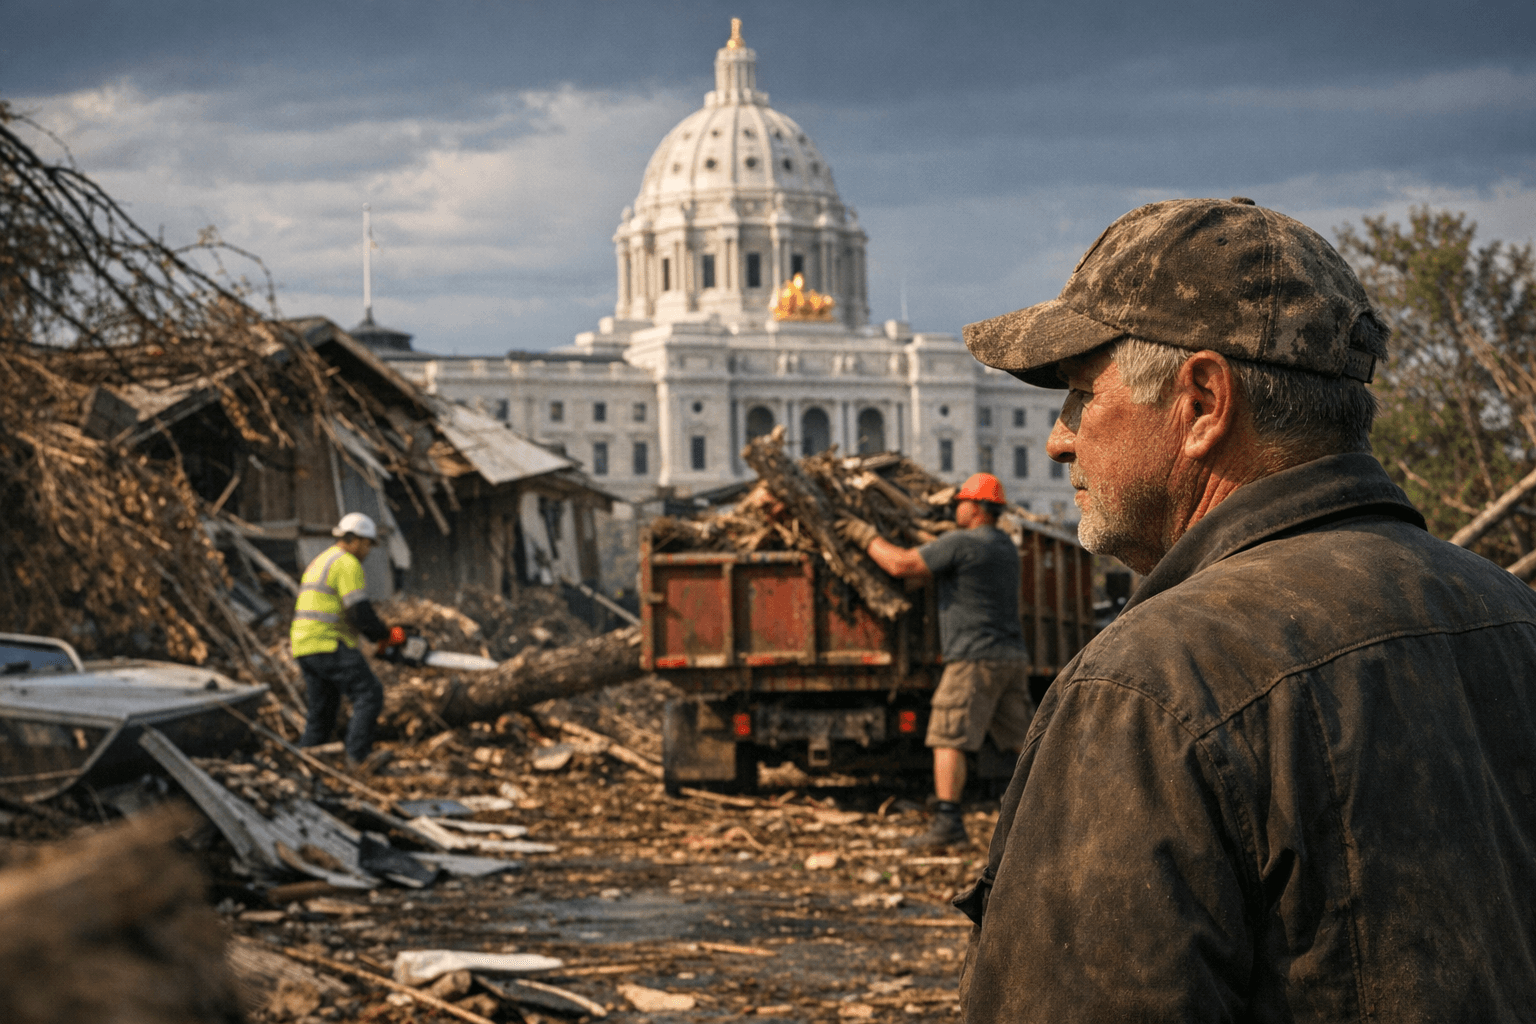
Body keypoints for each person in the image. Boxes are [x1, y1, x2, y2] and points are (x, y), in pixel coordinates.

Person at [953, 197, 1536, 1021]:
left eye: (1083, 394)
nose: (1059, 437)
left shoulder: (1151, 686)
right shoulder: (1510, 612)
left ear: (1202, 401)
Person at [839, 472, 1032, 849]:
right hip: (1010, 656)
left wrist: (863, 535)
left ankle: (948, 824)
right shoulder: (1004, 546)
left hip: (973, 658)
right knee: (1021, 743)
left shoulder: (963, 543)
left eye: (959, 503)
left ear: (975, 508)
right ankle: (1048, 817)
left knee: (947, 738)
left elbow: (901, 565)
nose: (954, 508)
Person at [290, 512, 403, 771]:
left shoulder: (321, 560)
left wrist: (377, 635)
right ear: (352, 539)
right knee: (369, 693)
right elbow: (358, 611)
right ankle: (358, 759)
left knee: (323, 712)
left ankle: (303, 765)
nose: (368, 550)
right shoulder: (347, 563)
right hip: (328, 642)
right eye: (366, 544)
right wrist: (386, 635)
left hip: (304, 645)